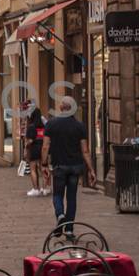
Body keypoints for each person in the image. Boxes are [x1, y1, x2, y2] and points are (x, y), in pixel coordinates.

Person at [41, 97, 95, 228]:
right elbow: (85, 150)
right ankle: (69, 229)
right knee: (71, 198)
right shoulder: (79, 126)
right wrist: (91, 169)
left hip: (59, 166)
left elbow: (45, 146)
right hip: (75, 167)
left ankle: (60, 216)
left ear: (61, 108)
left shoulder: (51, 124)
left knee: (58, 195)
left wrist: (44, 164)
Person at [24, 101, 47, 197]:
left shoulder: (31, 126)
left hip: (34, 149)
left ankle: (35, 189)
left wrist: (26, 147)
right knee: (43, 168)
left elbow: (30, 140)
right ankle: (45, 188)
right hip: (43, 148)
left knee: (33, 169)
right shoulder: (43, 125)